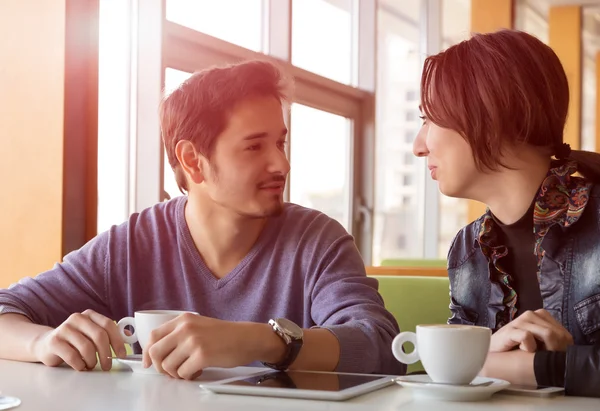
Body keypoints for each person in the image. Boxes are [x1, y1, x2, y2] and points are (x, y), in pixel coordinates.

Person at [0, 60, 405, 379]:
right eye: (253, 147)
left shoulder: (316, 240)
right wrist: (43, 343)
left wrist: (261, 341)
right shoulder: (130, 245)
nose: (282, 163)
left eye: (280, 142)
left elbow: (382, 345)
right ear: (193, 160)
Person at [413, 29, 600, 397]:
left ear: (489, 114)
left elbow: (475, 370)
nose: (419, 146)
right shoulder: (467, 249)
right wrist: (485, 358)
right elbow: (453, 377)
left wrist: (539, 367)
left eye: (429, 120)